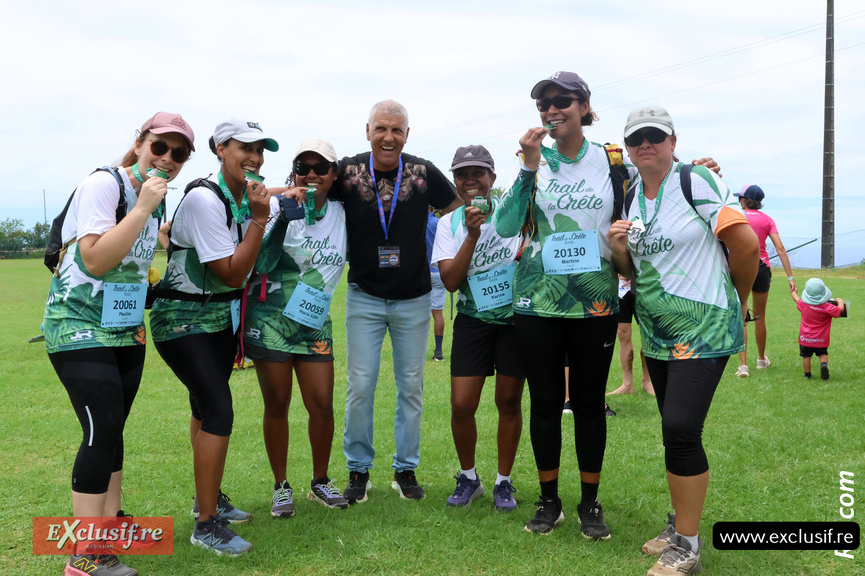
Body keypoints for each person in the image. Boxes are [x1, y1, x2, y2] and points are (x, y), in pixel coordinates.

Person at [494, 72, 720, 539]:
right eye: (543, 104)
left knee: (590, 404)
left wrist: (697, 168)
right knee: (546, 403)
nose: (551, 110)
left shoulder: (613, 160)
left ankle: (590, 504)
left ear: (584, 106)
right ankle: (549, 499)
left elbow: (660, 182)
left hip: (595, 301)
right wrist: (528, 167)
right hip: (536, 302)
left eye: (562, 101)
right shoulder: (531, 159)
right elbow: (505, 225)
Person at [608, 105, 758, 576]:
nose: (644, 145)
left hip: (704, 329)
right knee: (675, 431)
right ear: (628, 149)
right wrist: (617, 249)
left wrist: (733, 299)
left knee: (680, 427)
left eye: (654, 135)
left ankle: (688, 547)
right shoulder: (632, 195)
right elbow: (633, 272)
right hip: (657, 334)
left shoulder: (696, 180)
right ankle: (679, 525)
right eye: (636, 140)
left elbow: (747, 245)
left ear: (673, 140)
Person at [44, 112, 194, 576]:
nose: (167, 158)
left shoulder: (157, 198)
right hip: (77, 324)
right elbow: (92, 260)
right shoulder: (103, 185)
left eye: (178, 153)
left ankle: (107, 526)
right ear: (140, 143)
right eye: (159, 147)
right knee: (101, 427)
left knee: (113, 430)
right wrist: (144, 208)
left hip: (126, 327)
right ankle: (83, 556)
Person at [150, 119, 279, 556]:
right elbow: (230, 271)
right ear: (221, 148)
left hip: (219, 319)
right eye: (246, 147)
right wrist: (260, 222)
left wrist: (275, 201)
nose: (256, 158)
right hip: (182, 321)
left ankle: (208, 501)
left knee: (204, 407)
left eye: (261, 150)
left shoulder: (240, 195)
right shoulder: (206, 199)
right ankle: (205, 524)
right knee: (219, 410)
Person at [331, 100, 461, 503]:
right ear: (367, 130)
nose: (389, 137)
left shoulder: (422, 172)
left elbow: (455, 207)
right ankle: (358, 471)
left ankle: (405, 468)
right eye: (381, 129)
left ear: (407, 134)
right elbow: (314, 191)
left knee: (411, 387)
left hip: (415, 299)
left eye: (397, 130)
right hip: (364, 297)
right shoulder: (348, 172)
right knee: (360, 386)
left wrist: (449, 247)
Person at [243, 138, 349, 516]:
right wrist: (283, 217)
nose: (312, 174)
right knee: (278, 404)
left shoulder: (343, 212)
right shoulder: (273, 207)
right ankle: (281, 486)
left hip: (315, 322)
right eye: (303, 167)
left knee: (321, 404)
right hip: (270, 319)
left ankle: (320, 482)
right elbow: (260, 262)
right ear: (293, 173)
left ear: (334, 175)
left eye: (321, 168)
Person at [430, 145, 525, 511]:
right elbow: (451, 282)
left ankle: (504, 482)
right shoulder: (447, 223)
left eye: (478, 173)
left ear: (492, 178)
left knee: (508, 401)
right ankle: (469, 477)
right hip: (472, 319)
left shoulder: (512, 215)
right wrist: (471, 234)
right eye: (462, 175)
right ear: (455, 181)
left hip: (515, 320)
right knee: (461, 404)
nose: (470, 181)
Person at [732, 184, 797, 378]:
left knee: (742, 316)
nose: (739, 201)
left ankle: (743, 365)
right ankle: (761, 359)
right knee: (760, 316)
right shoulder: (768, 220)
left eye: (740, 198)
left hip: (740, 268)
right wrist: (790, 277)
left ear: (745, 200)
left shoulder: (736, 217)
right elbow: (780, 249)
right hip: (761, 268)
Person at [790, 278, 845, 380]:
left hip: (805, 339)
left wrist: (793, 291)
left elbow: (795, 298)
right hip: (821, 339)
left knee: (806, 356)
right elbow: (840, 309)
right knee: (822, 354)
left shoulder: (803, 304)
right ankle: (823, 364)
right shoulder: (827, 307)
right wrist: (839, 301)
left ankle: (807, 375)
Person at [609, 275, 654, 395]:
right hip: (619, 289)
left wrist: (633, 274)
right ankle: (627, 384)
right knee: (622, 333)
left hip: (641, 286)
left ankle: (647, 380)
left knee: (647, 333)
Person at [427, 207, 446, 361]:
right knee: (437, 312)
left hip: (421, 272)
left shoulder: (416, 222)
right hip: (439, 271)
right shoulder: (439, 223)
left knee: (416, 313)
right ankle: (438, 352)